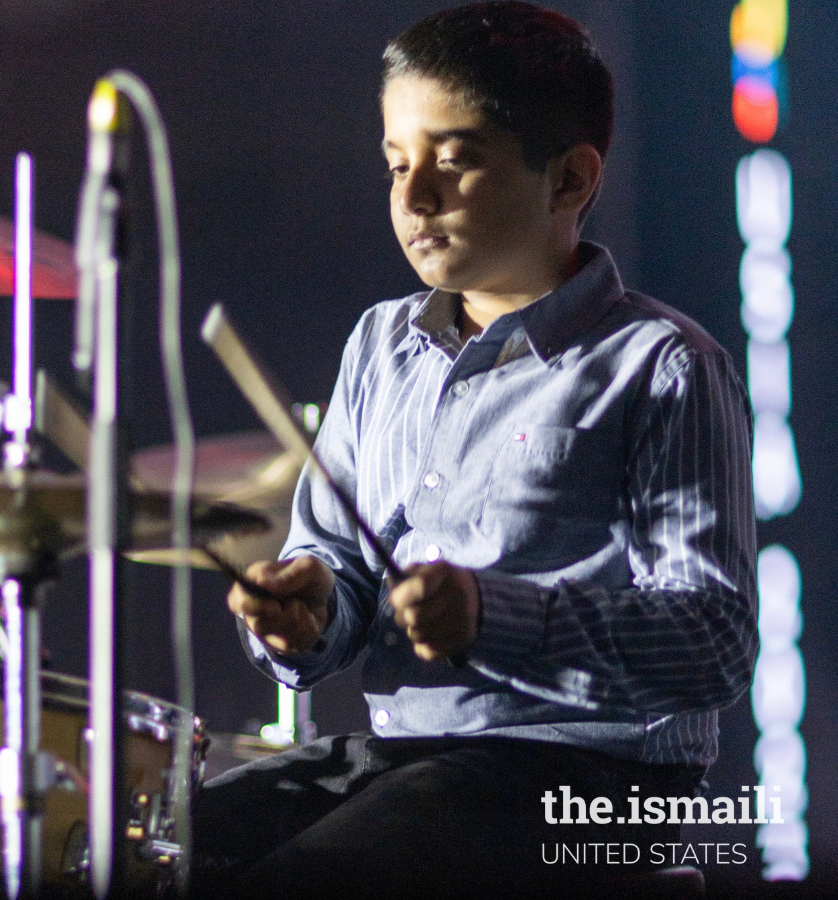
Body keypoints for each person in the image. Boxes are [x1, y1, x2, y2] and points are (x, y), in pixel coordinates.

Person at [191, 3, 758, 898]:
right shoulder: (380, 346)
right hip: (414, 757)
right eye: (396, 164)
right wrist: (307, 613)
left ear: (569, 179)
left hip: (603, 788)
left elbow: (714, 644)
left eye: (453, 163)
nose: (414, 197)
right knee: (149, 851)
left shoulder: (664, 366)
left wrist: (492, 617)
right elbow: (339, 568)